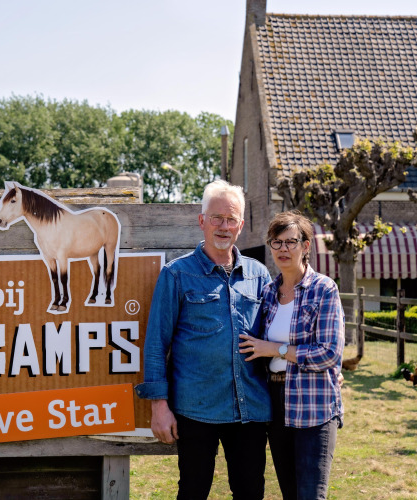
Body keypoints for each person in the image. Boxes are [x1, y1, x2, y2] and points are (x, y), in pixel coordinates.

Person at [135, 180, 272, 499]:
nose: (224, 227)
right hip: (197, 409)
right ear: (202, 221)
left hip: (250, 408)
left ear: (240, 225)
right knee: (193, 491)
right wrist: (159, 406)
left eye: (231, 219)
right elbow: (157, 343)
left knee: (251, 492)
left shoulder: (259, 275)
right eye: (217, 218)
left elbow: (275, 336)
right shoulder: (177, 274)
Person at [239, 211, 344, 500]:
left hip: (314, 402)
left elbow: (330, 354)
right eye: (276, 242)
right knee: (289, 492)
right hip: (275, 401)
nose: (283, 249)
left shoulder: (324, 289)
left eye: (291, 242)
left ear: (306, 246)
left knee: (310, 495)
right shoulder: (268, 293)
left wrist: (276, 349)